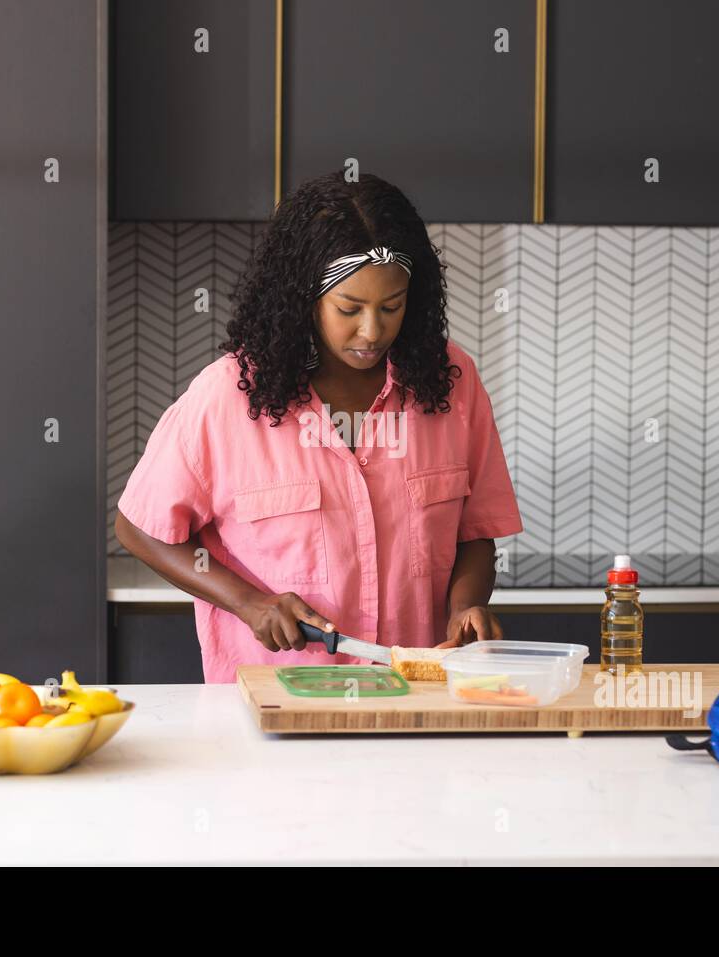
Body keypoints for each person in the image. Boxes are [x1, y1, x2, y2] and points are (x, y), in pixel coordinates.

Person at [114, 171, 522, 682]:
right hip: (277, 704)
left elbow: (476, 531)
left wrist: (465, 607)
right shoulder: (227, 396)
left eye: (391, 307)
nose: (372, 331)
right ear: (304, 297)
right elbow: (141, 528)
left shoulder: (452, 384)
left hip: (416, 700)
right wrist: (250, 603)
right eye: (349, 309)